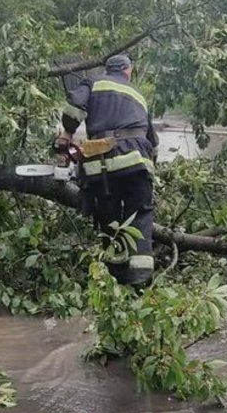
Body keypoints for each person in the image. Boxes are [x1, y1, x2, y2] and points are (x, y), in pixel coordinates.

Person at [55, 54, 159, 287]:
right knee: (140, 215)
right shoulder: (139, 95)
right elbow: (153, 141)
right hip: (138, 163)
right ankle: (141, 282)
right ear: (127, 71)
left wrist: (66, 135)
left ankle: (115, 281)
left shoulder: (94, 82)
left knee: (108, 218)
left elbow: (73, 110)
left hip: (101, 167)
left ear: (107, 69)